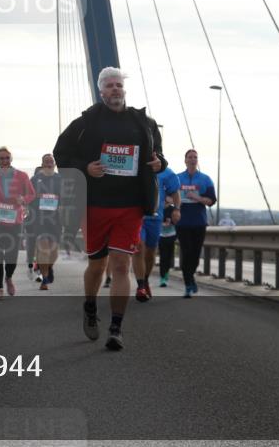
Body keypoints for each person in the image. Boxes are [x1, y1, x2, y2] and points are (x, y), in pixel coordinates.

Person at [53, 67, 165, 351]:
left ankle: (116, 327)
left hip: (130, 206)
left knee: (121, 264)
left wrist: (159, 164)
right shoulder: (86, 123)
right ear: (101, 91)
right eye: (110, 86)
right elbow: (60, 154)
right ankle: (90, 307)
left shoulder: (144, 123)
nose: (116, 89)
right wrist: (85, 167)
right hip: (94, 205)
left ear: (124, 90)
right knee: (96, 265)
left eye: (119, 85)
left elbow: (159, 157)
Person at [0, 146, 36, 300]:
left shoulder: (22, 176)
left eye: (7, 158)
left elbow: (32, 194)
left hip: (15, 221)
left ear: (11, 159)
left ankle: (8, 277)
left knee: (12, 255)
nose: (4, 161)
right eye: (1, 158)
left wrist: (23, 199)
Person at [175, 149, 217, 299]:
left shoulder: (205, 179)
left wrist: (197, 198)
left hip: (199, 222)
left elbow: (211, 201)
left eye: (195, 157)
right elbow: (168, 196)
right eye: (190, 157)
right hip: (182, 221)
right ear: (185, 160)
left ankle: (190, 277)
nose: (193, 159)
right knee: (186, 252)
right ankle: (188, 284)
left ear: (197, 161)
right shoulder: (178, 178)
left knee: (195, 254)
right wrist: (173, 203)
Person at [139, 165, 181, 295]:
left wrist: (177, 209)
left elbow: (175, 192)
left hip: (155, 218)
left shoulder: (166, 172)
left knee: (150, 253)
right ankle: (140, 285)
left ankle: (145, 279)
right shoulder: (136, 166)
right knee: (139, 248)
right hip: (137, 217)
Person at [31, 154, 63, 291]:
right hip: (40, 218)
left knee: (54, 252)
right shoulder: (35, 179)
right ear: (42, 163)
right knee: (44, 247)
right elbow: (28, 196)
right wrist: (35, 197)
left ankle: (48, 267)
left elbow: (67, 197)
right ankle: (44, 279)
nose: (49, 163)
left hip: (56, 219)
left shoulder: (60, 179)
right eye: (46, 161)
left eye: (51, 161)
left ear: (54, 164)